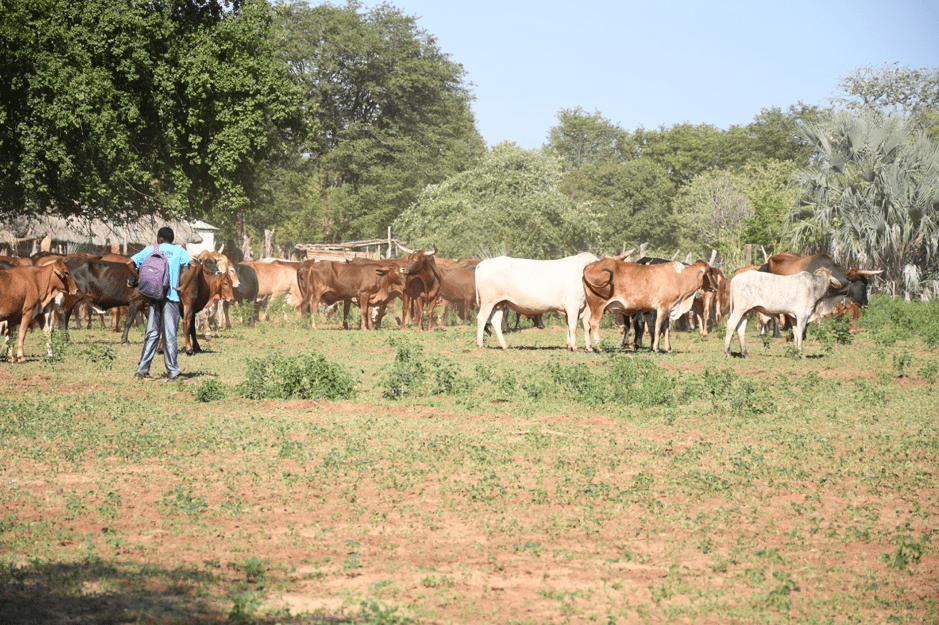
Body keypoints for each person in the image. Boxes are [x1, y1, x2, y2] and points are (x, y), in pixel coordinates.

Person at [131, 227, 195, 383]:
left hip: (154, 296)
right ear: (171, 239)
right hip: (171, 296)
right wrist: (183, 286)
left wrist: (139, 279)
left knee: (152, 333)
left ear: (159, 238)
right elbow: (194, 266)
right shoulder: (179, 251)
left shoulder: (151, 249)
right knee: (170, 334)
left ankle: (142, 371)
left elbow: (129, 262)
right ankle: (173, 372)